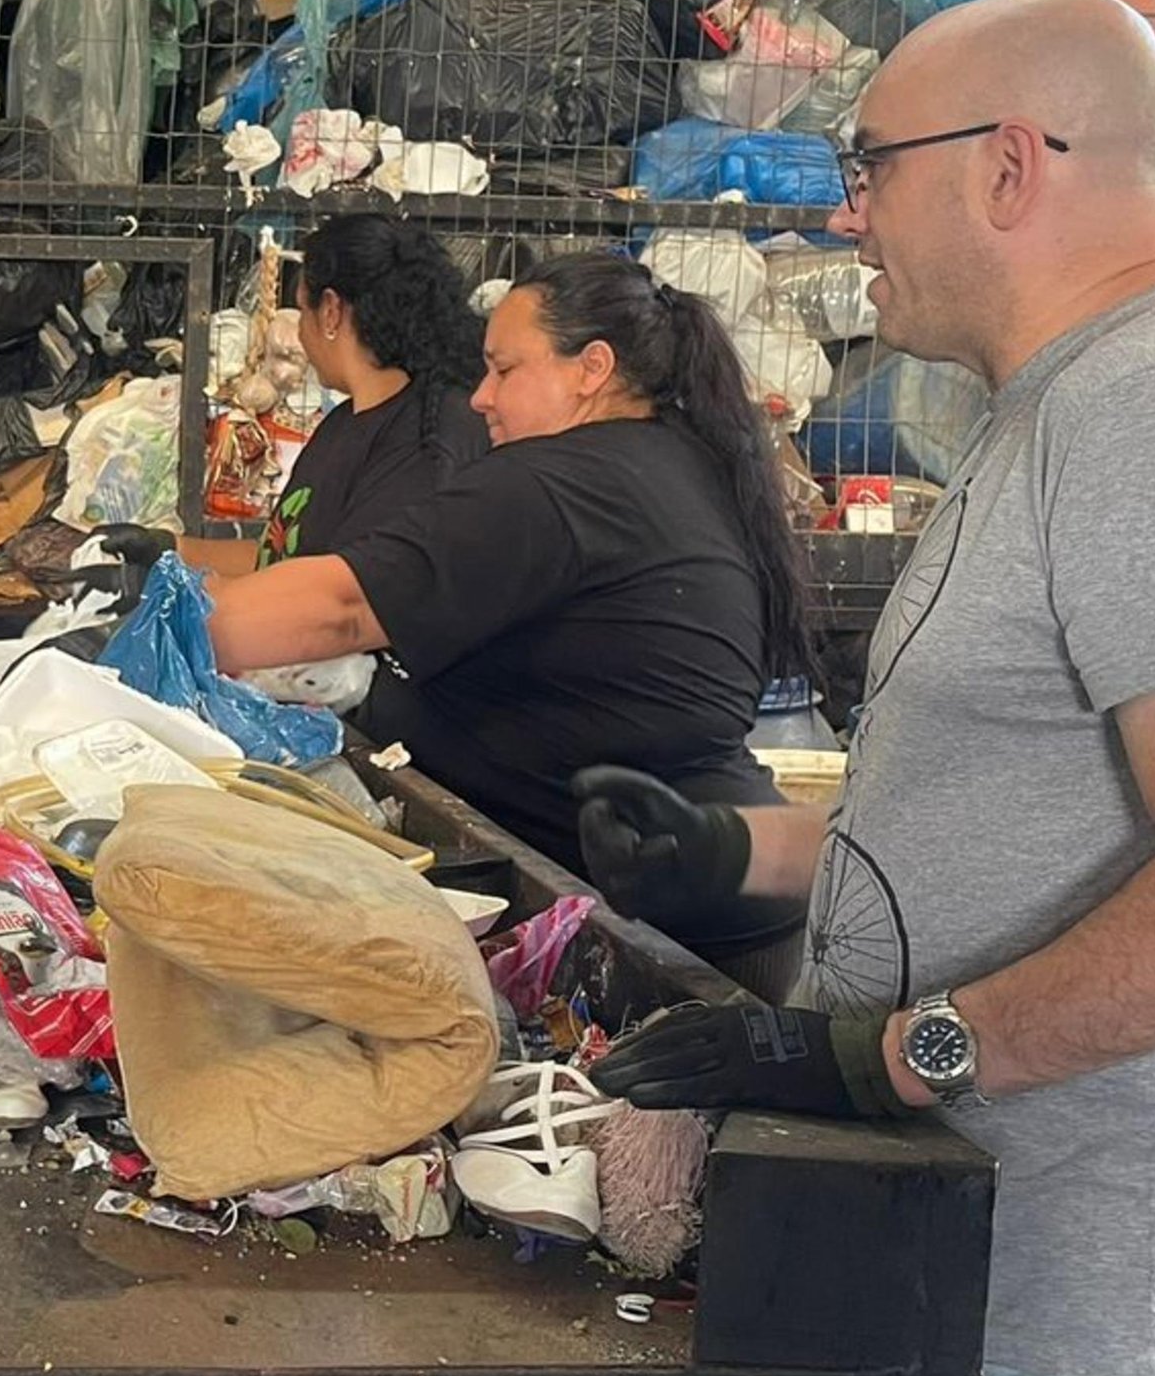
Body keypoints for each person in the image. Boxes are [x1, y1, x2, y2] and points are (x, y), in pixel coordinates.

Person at [581, 0, 1155, 1376]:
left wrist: (890, 1056)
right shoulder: (1078, 402)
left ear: (1007, 166)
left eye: (867, 166)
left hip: (1122, 1315)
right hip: (1024, 1278)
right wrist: (737, 851)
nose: (848, 219)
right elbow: (1028, 814)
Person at [202, 247, 811, 984]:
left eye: (504, 369)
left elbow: (344, 605)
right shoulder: (660, 462)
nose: (481, 396)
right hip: (703, 903)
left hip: (667, 943)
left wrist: (163, 637)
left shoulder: (564, 483)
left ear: (591, 368)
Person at [257, 213, 490, 565]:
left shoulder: (426, 443)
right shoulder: (343, 422)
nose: (301, 332)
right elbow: (280, 553)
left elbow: (345, 591)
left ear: (331, 311)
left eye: (304, 310)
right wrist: (169, 548)